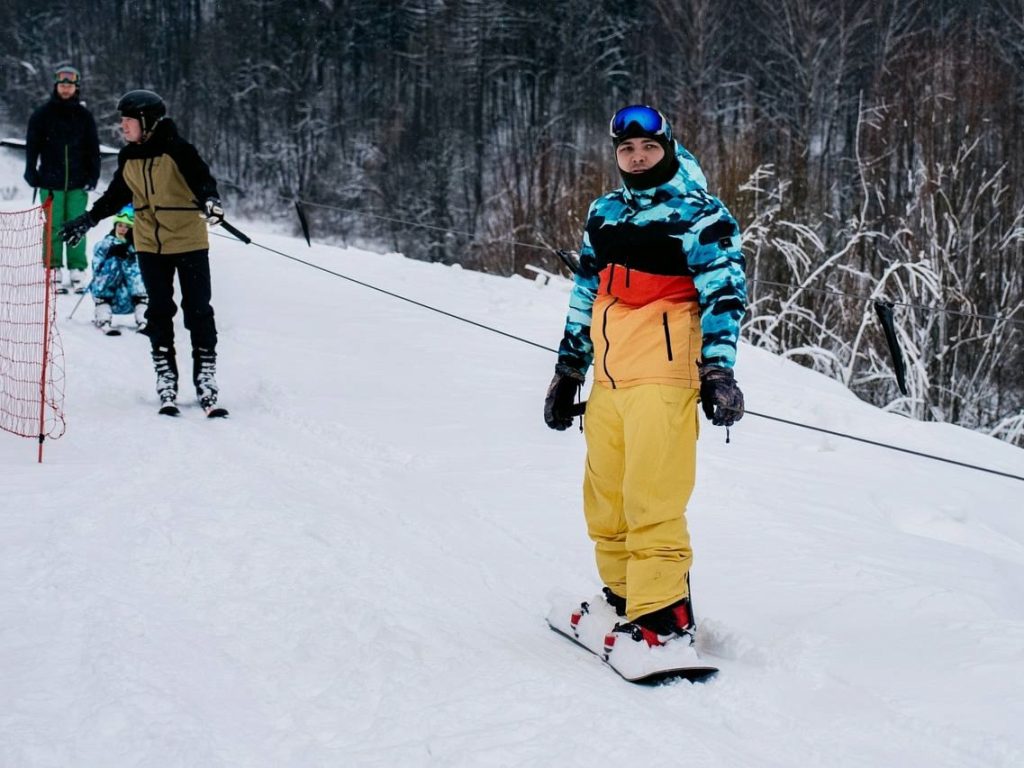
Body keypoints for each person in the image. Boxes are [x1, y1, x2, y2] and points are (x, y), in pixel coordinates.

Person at [544, 105, 747, 654]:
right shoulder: (605, 212)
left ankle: (665, 616)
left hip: (663, 375)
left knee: (651, 498)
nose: (637, 158)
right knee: (605, 500)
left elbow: (725, 295)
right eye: (627, 151)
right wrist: (568, 371)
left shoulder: (702, 215)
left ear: (669, 148)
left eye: (648, 148)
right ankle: (625, 595)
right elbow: (587, 293)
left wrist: (718, 369)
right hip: (610, 379)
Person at [59, 89, 227, 414]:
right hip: (150, 244)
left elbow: (203, 180)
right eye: (122, 121)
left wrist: (212, 202)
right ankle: (166, 378)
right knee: (159, 311)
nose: (122, 126)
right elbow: (116, 195)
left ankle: (206, 377)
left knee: (198, 310)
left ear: (146, 122)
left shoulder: (178, 150)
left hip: (188, 242)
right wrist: (88, 219)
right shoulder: (129, 156)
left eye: (128, 121)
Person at [23, 66, 100, 293]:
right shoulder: (42, 114)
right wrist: (30, 170)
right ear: (56, 87)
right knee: (53, 225)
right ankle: (52, 267)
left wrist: (93, 175)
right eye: (62, 85)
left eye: (70, 86)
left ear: (76, 88)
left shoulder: (84, 116)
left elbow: (93, 148)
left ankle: (77, 269)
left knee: (77, 224)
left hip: (78, 182)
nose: (66, 89)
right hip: (50, 181)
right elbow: (32, 145)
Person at [90, 205, 148, 334]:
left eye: (127, 227)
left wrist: (129, 256)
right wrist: (111, 255)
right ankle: (103, 319)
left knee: (139, 267)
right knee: (111, 264)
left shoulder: (138, 247)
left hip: (131, 295)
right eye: (120, 225)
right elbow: (96, 270)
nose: (123, 229)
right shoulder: (104, 244)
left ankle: (143, 319)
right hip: (109, 293)